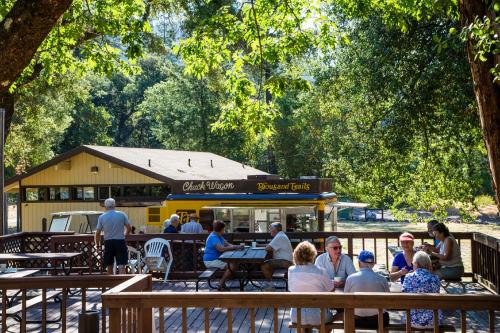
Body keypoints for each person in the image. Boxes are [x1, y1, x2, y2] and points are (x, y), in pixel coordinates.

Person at [288, 241, 334, 325]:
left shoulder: (291, 270)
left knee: (303, 323)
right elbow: (331, 289)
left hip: (296, 315)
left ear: (296, 255)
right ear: (312, 255)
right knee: (332, 317)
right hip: (319, 315)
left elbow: (291, 288)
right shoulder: (320, 271)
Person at [344, 250, 390, 329]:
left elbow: (345, 299)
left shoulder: (351, 278)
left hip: (355, 319)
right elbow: (388, 300)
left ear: (359, 263)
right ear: (373, 264)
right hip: (378, 320)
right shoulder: (382, 279)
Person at [402, 251, 442, 329]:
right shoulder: (435, 278)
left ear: (416, 263)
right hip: (433, 321)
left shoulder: (408, 277)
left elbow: (404, 293)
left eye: (413, 263)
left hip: (411, 320)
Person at [94, 198, 132, 274]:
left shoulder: (102, 217)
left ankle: (111, 285)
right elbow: (129, 228)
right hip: (120, 241)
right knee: (121, 265)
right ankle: (124, 284)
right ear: (114, 205)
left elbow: (97, 233)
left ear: (105, 206)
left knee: (109, 265)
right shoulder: (121, 214)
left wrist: (97, 246)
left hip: (108, 242)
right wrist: (125, 234)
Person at [203, 221, 243, 291]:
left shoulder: (219, 236)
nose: (224, 231)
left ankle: (222, 283)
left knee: (235, 263)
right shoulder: (213, 237)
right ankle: (221, 283)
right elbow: (221, 249)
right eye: (224, 229)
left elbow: (228, 244)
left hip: (217, 259)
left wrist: (238, 246)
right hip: (211, 261)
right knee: (232, 265)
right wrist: (236, 247)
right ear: (221, 229)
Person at [261, 222, 294, 291]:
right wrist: (259, 245)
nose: (269, 230)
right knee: (268, 263)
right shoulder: (280, 235)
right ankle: (270, 285)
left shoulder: (279, 236)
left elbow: (268, 248)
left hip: (285, 262)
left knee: (264, 265)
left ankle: (270, 287)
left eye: (271, 228)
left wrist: (260, 245)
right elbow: (270, 245)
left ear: (275, 230)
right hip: (286, 261)